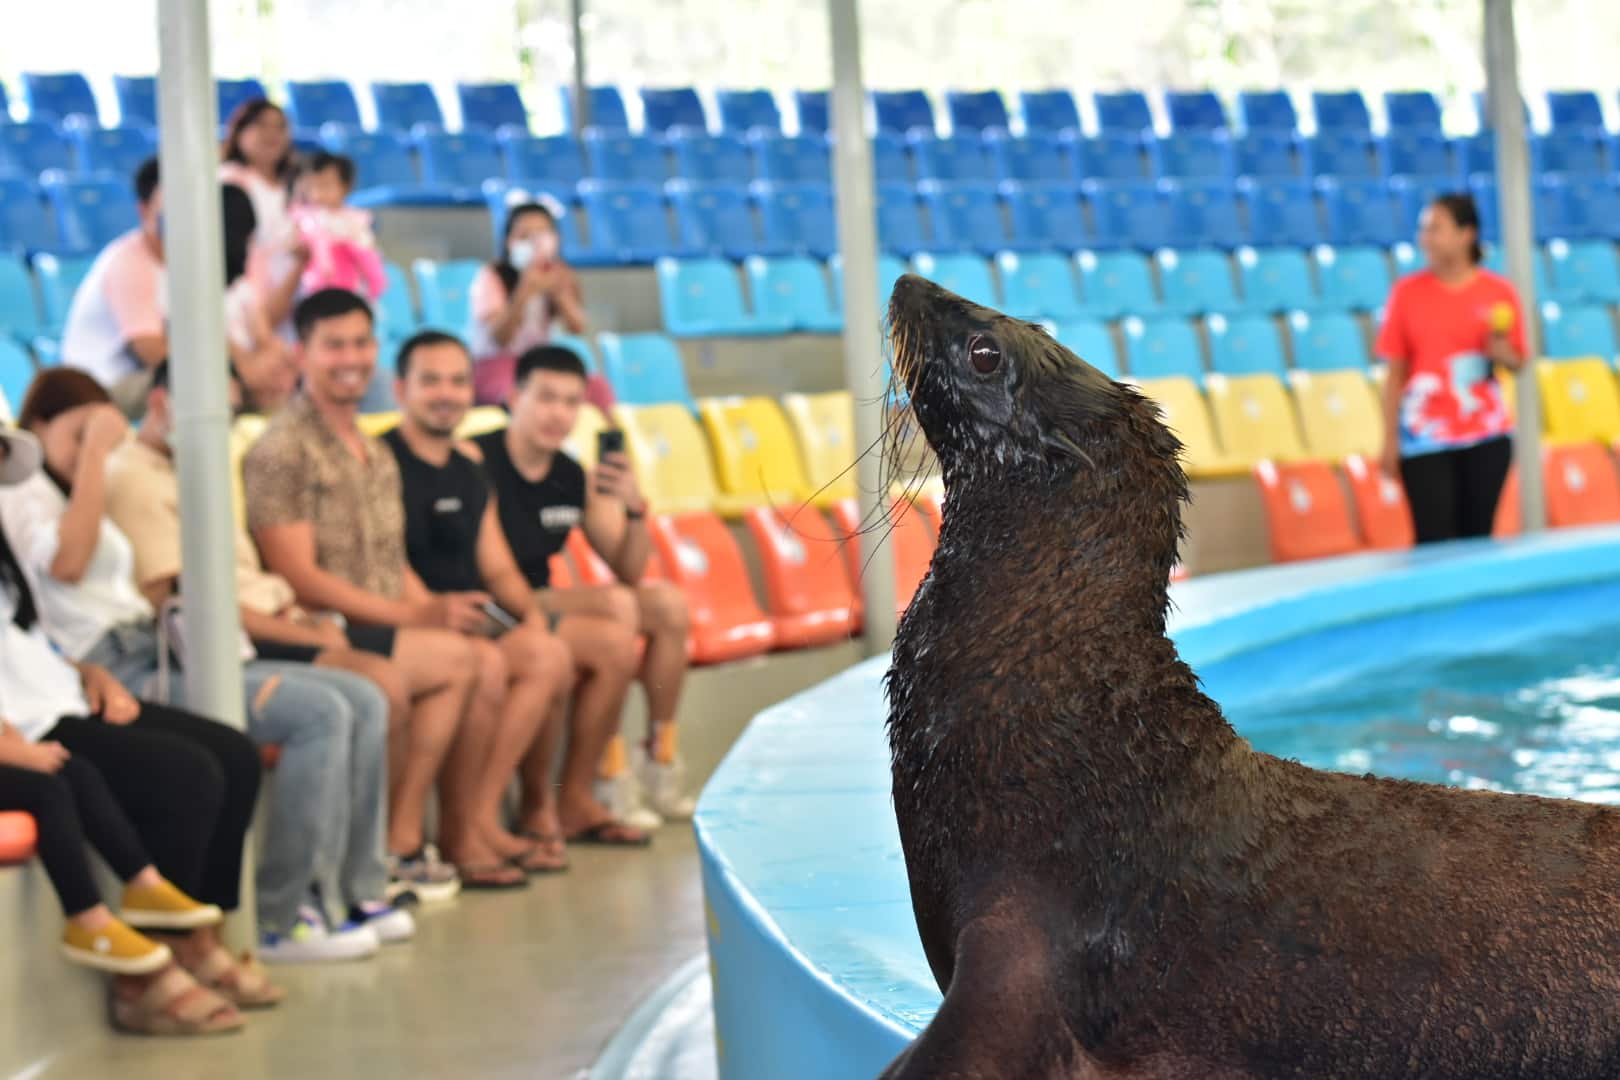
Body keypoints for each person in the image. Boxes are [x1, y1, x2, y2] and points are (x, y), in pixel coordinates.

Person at [106, 362, 418, 959]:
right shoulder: (134, 479)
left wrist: (303, 621)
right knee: (325, 709)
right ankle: (281, 914)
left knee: (365, 699)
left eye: (230, 411)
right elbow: (184, 604)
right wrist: (308, 640)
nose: (222, 425)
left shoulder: (199, 471)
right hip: (186, 654)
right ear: (164, 402)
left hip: (249, 630)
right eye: (211, 410)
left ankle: (353, 889)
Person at [245, 289, 542, 889]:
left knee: (485, 657)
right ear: (303, 354)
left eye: (360, 343)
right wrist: (418, 615)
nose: (350, 357)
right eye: (334, 345)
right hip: (326, 626)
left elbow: (389, 559)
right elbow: (299, 577)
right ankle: (399, 843)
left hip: (382, 617)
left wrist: (428, 609)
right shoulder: (280, 450)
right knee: (465, 660)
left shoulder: (374, 451)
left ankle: (417, 839)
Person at [0, 395, 280, 1013]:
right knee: (184, 773)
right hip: (26, 724)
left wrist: (89, 672)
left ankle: (199, 937)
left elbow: (18, 640)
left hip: (57, 694)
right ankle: (150, 976)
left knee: (231, 753)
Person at [387, 330, 645, 867]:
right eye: (429, 380)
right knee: (492, 660)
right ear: (400, 389)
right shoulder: (385, 460)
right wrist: (431, 616)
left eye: (457, 380)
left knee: (547, 650)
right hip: (412, 620)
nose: (446, 393)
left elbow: (497, 564)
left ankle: (488, 817)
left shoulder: (466, 467)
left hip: (476, 613)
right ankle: (459, 831)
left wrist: (528, 619)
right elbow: (386, 560)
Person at [471, 344, 697, 828]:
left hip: (541, 598)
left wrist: (634, 507)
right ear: (514, 396)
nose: (559, 414)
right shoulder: (480, 459)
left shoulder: (570, 474)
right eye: (546, 398)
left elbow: (630, 568)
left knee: (669, 605)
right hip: (493, 602)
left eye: (572, 402)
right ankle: (606, 772)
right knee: (617, 609)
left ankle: (660, 758)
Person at [1376, 193, 1527, 543]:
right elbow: (1395, 372)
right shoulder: (1406, 293)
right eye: (1423, 229)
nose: (1424, 238)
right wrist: (1389, 440)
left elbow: (1518, 361)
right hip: (1424, 439)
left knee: (1478, 539)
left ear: (1466, 234)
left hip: (1486, 436)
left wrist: (1500, 349)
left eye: (1435, 229)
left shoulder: (1498, 291)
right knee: (1433, 541)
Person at [59, 156, 166, 415]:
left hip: (139, 379)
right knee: (197, 385)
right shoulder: (127, 261)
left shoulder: (185, 262)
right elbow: (151, 352)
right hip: (99, 388)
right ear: (144, 209)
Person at [467, 200, 588, 406]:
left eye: (541, 234)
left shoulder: (559, 274)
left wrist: (559, 293)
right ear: (508, 241)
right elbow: (500, 339)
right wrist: (524, 291)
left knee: (594, 388)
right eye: (524, 236)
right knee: (523, 396)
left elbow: (577, 326)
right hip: (494, 367)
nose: (534, 243)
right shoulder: (492, 276)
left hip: (538, 367)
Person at [220, 98, 306, 333]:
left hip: (294, 295)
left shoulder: (294, 185)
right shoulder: (230, 181)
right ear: (239, 132)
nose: (272, 134)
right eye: (261, 125)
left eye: (280, 126)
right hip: (249, 303)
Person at [291, 152, 386, 302]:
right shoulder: (299, 219)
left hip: (349, 293)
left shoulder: (357, 222)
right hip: (309, 294)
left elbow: (369, 259)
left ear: (346, 186)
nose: (316, 194)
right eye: (310, 186)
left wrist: (374, 286)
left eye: (325, 185)